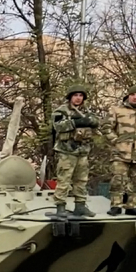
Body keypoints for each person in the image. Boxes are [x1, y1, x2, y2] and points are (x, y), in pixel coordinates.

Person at [49, 83, 99, 218]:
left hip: (82, 151)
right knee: (64, 180)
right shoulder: (61, 111)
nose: (78, 98)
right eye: (75, 95)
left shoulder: (87, 111)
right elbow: (57, 126)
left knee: (81, 180)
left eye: (81, 96)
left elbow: (95, 122)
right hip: (66, 151)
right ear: (70, 97)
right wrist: (75, 122)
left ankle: (80, 206)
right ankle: (60, 207)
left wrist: (89, 120)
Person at [107, 84, 136, 215]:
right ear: (128, 96)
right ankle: (115, 205)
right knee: (118, 179)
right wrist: (115, 141)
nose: (135, 97)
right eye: (132, 95)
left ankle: (132, 206)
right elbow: (106, 127)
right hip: (120, 152)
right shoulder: (117, 110)